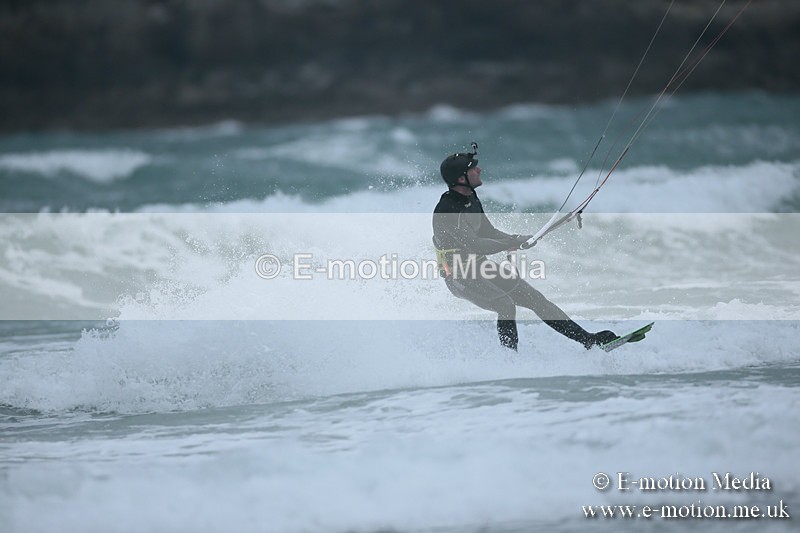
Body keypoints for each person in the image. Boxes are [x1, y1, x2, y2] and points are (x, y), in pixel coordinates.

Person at [432, 144, 617, 351]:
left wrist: (517, 239)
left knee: (536, 299)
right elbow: (476, 244)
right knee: (505, 305)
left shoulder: (470, 198)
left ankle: (588, 340)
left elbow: (488, 232)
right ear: (460, 178)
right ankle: (510, 359)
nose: (479, 169)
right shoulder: (446, 211)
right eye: (473, 168)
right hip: (458, 275)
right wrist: (512, 243)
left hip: (478, 267)